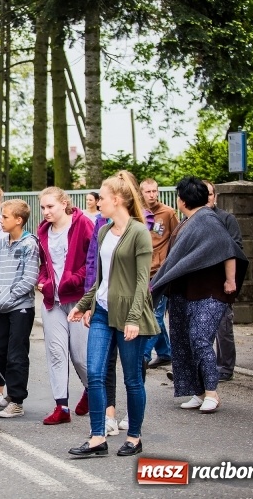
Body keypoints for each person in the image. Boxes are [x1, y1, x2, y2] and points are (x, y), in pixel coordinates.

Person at [67, 171, 159, 458]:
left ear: (117, 200)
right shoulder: (104, 230)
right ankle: (97, 437)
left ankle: (134, 437)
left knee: (132, 378)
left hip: (130, 315)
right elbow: (100, 279)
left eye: (103, 197)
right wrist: (84, 304)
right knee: (94, 372)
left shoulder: (139, 233)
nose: (98, 202)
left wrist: (133, 319)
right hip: (103, 312)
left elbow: (143, 282)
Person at [151, 177, 248, 414]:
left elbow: (229, 250)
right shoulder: (188, 221)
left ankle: (212, 393)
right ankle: (199, 391)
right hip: (186, 292)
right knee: (183, 340)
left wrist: (230, 280)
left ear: (182, 200)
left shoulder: (207, 220)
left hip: (210, 292)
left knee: (199, 337)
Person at [37, 186, 93, 425]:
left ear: (64, 203)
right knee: (56, 353)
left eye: (50, 206)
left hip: (78, 299)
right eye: (42, 208)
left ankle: (93, 391)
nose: (46, 212)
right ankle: (62, 407)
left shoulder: (82, 224)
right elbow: (43, 264)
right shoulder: (43, 231)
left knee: (80, 356)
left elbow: (93, 262)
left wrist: (73, 280)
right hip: (53, 301)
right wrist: (43, 281)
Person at [0, 199, 39, 418]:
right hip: (0, 306)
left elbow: (29, 280)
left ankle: (17, 399)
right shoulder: (0, 242)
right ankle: (8, 391)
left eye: (6, 216)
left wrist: (8, 297)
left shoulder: (30, 245)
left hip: (21, 307)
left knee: (16, 354)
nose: (1, 220)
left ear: (19, 220)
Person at [203, 180, 243, 382]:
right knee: (199, 330)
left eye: (210, 194)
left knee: (223, 327)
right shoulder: (191, 220)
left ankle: (225, 368)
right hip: (200, 284)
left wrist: (230, 279)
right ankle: (202, 368)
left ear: (215, 196)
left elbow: (235, 248)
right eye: (204, 194)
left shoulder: (227, 219)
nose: (207, 197)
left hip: (221, 281)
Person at [140, 178, 179, 368]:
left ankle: (144, 355)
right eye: (148, 192)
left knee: (154, 314)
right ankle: (165, 352)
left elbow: (178, 237)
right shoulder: (138, 213)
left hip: (161, 271)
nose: (152, 195)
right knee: (150, 312)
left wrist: (170, 262)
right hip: (143, 270)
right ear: (141, 193)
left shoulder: (168, 213)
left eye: (155, 191)